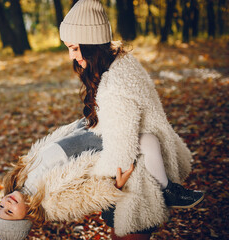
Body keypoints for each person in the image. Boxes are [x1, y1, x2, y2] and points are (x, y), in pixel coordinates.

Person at [58, 0, 204, 238]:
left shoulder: (115, 85)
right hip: (148, 162)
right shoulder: (120, 63)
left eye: (74, 48)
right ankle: (169, 189)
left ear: (91, 43)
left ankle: (168, 190)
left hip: (137, 181)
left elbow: (121, 153)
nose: (72, 56)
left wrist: (95, 182)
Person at [0, 118, 203, 240]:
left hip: (82, 134)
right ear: (27, 217)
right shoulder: (51, 204)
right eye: (9, 212)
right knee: (146, 141)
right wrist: (114, 186)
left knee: (129, 119)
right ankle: (167, 189)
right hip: (92, 149)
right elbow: (86, 196)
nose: (6, 203)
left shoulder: (21, 179)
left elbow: (50, 146)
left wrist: (79, 124)